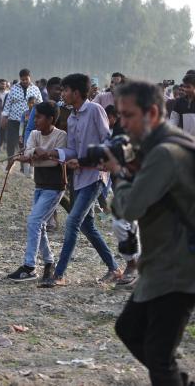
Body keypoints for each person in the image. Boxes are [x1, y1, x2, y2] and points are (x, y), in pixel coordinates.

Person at [101, 81, 195, 386]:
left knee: (158, 354)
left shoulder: (166, 153)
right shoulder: (162, 145)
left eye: (128, 116)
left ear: (152, 112)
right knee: (129, 329)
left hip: (179, 268)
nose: (121, 123)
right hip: (161, 265)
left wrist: (118, 173)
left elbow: (129, 208)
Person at [38, 73, 120, 287]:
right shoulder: (72, 116)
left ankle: (59, 274)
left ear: (76, 92)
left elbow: (106, 143)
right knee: (87, 225)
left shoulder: (95, 110)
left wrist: (84, 161)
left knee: (73, 221)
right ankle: (114, 268)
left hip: (95, 176)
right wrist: (52, 153)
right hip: (79, 177)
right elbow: (72, 149)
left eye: (65, 90)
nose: (62, 94)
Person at [7, 101, 67, 282]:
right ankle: (49, 262)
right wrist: (38, 153)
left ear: (50, 118)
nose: (35, 120)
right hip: (40, 184)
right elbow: (28, 151)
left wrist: (38, 157)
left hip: (55, 186)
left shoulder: (61, 135)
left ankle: (29, 266)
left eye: (39, 117)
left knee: (34, 221)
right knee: (38, 224)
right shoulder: (33, 133)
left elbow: (56, 161)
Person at [1, 69, 42, 159]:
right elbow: (8, 104)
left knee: (26, 142)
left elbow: (40, 104)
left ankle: (24, 165)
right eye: (22, 80)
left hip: (29, 121)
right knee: (11, 142)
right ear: (20, 79)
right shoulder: (14, 88)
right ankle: (10, 161)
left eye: (26, 79)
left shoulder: (35, 89)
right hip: (14, 120)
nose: (24, 81)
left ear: (30, 78)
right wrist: (4, 117)